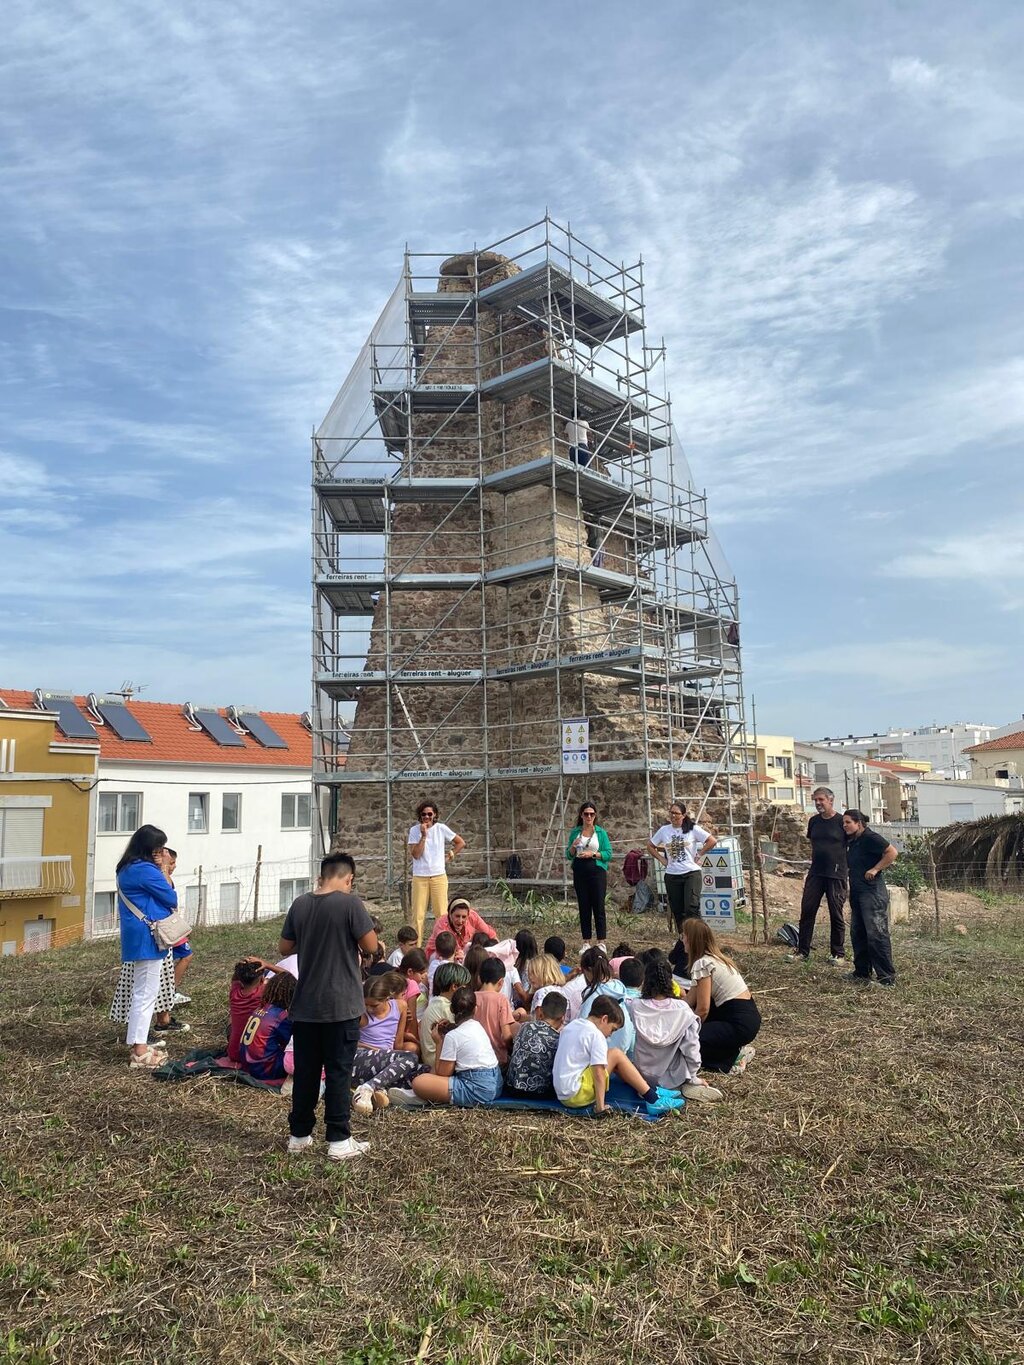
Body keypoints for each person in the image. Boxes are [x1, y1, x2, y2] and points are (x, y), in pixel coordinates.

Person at [278, 851, 378, 1162]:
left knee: (307, 1072)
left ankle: (299, 1135)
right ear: (349, 878)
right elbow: (371, 946)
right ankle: (338, 1140)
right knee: (337, 1071)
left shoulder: (300, 903)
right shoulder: (350, 904)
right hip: (341, 1005)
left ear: (322, 875)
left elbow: (284, 947)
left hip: (306, 1004)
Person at [113, 825, 179, 1070]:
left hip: (136, 935)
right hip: (149, 938)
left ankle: (137, 1044)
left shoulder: (126, 868)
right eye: (159, 847)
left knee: (142, 992)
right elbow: (171, 897)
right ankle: (139, 1051)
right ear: (150, 848)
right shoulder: (146, 871)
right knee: (145, 994)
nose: (162, 852)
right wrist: (162, 868)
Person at [553, 996, 684, 1116]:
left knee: (611, 1057)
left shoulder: (573, 1025)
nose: (611, 1034)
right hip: (576, 1095)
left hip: (563, 1093)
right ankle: (652, 1098)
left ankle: (651, 1090)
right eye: (613, 1029)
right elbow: (598, 1073)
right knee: (616, 1054)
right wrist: (600, 1107)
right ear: (604, 1019)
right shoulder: (596, 1035)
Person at [631, 956, 721, 1101]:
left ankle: (648, 1090)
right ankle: (683, 1086)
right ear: (671, 981)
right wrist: (693, 1075)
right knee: (685, 1046)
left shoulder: (635, 1007)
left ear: (645, 981)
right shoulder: (682, 1010)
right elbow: (691, 1048)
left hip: (641, 1077)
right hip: (672, 1077)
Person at [682, 918, 760, 1074]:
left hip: (737, 1022)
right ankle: (733, 1049)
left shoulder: (703, 964)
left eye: (683, 936)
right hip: (748, 1018)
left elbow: (702, 1009)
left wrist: (687, 1031)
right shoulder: (716, 960)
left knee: (689, 1044)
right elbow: (689, 1000)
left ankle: (732, 1060)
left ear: (690, 939)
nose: (682, 940)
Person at [648, 801, 716, 975]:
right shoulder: (664, 830)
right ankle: (683, 941)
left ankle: (700, 941)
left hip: (690, 872)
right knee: (678, 911)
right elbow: (650, 846)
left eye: (676, 813)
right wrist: (662, 860)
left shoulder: (692, 829)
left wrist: (699, 854)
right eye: (670, 813)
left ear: (683, 815)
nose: (672, 816)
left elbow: (711, 840)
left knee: (691, 907)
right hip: (672, 874)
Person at [411, 987, 503, 1108]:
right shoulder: (478, 1026)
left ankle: (428, 1096)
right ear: (475, 1009)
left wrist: (439, 1043)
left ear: (451, 1009)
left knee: (419, 1082)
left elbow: (443, 1074)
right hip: (496, 1084)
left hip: (478, 1089)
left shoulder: (452, 1036)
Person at [351, 974, 425, 1114]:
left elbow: (397, 1044)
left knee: (424, 1071)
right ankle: (369, 1088)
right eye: (365, 1004)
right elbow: (349, 1044)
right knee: (411, 1057)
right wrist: (375, 1050)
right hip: (363, 1057)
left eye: (374, 1005)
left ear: (387, 998)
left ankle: (381, 1090)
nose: (369, 1009)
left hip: (386, 1058)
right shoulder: (361, 1016)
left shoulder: (400, 1006)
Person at [791, 787, 848, 966]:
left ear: (831, 800)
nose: (818, 803)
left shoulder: (842, 822)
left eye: (821, 800)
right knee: (807, 912)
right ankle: (802, 951)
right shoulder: (814, 822)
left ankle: (838, 954)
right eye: (815, 800)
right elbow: (812, 843)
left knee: (836, 914)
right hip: (816, 873)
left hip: (836, 874)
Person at [842, 810, 899, 987]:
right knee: (858, 932)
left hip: (872, 893)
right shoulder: (854, 840)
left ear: (859, 823)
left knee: (876, 934)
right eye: (843, 823)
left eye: (848, 822)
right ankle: (861, 972)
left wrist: (875, 869)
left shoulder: (871, 837)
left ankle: (886, 977)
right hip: (858, 892)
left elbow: (892, 852)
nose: (845, 826)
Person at [407, 799, 466, 943]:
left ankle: (443, 946)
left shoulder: (441, 828)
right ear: (419, 816)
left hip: (438, 876)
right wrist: (424, 836)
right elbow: (416, 854)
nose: (426, 817)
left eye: (429, 814)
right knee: (418, 916)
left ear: (435, 815)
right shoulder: (414, 831)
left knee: (441, 914)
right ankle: (416, 948)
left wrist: (450, 855)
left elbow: (460, 842)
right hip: (420, 877)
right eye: (423, 814)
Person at [565, 801, 613, 952]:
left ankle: (601, 941)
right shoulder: (575, 832)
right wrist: (573, 846)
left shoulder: (601, 833)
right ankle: (586, 941)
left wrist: (593, 854)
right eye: (586, 814)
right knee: (584, 906)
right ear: (581, 815)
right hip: (580, 872)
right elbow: (568, 855)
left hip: (597, 872)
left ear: (595, 816)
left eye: (592, 814)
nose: (589, 816)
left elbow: (608, 853)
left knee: (598, 906)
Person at [505, 992, 567, 1099]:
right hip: (541, 1093)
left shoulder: (524, 1027)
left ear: (541, 1012)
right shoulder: (558, 1038)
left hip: (513, 1089)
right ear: (562, 1018)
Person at [577, 947, 635, 1055]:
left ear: (587, 970)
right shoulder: (619, 988)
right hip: (624, 1050)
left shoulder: (593, 995)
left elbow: (583, 1028)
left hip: (602, 1055)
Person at [240, 973, 296, 1083]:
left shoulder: (260, 1009)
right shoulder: (280, 1017)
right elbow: (290, 1042)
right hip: (265, 1069)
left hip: (246, 1064)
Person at [424, 896, 496, 962]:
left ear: (468, 915)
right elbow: (450, 948)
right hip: (442, 954)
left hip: (461, 950)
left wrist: (498, 950)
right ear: (450, 914)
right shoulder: (442, 924)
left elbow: (489, 933)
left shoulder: (473, 916)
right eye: (457, 916)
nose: (460, 921)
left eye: (464, 917)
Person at [474, 956, 517, 1066]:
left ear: (479, 978)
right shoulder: (501, 1000)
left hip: (475, 1057)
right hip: (497, 1059)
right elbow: (506, 1035)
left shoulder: (471, 997)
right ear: (501, 982)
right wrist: (512, 1050)